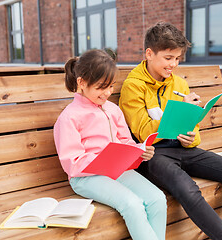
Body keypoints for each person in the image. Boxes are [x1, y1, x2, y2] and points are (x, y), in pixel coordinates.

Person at [119, 22, 222, 240]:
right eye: (168, 58)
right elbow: (142, 132)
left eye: (177, 58)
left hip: (183, 149)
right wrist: (172, 114)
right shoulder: (133, 86)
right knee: (188, 188)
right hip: (153, 155)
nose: (173, 64)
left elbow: (194, 131)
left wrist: (190, 137)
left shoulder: (179, 85)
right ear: (149, 53)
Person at [53, 49, 167, 240]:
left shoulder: (113, 110)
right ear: (81, 82)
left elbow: (126, 142)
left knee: (157, 199)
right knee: (132, 204)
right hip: (86, 178)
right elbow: (72, 163)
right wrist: (103, 160)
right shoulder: (69, 118)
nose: (107, 93)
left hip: (117, 171)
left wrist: (140, 151)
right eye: (101, 87)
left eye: (111, 86)